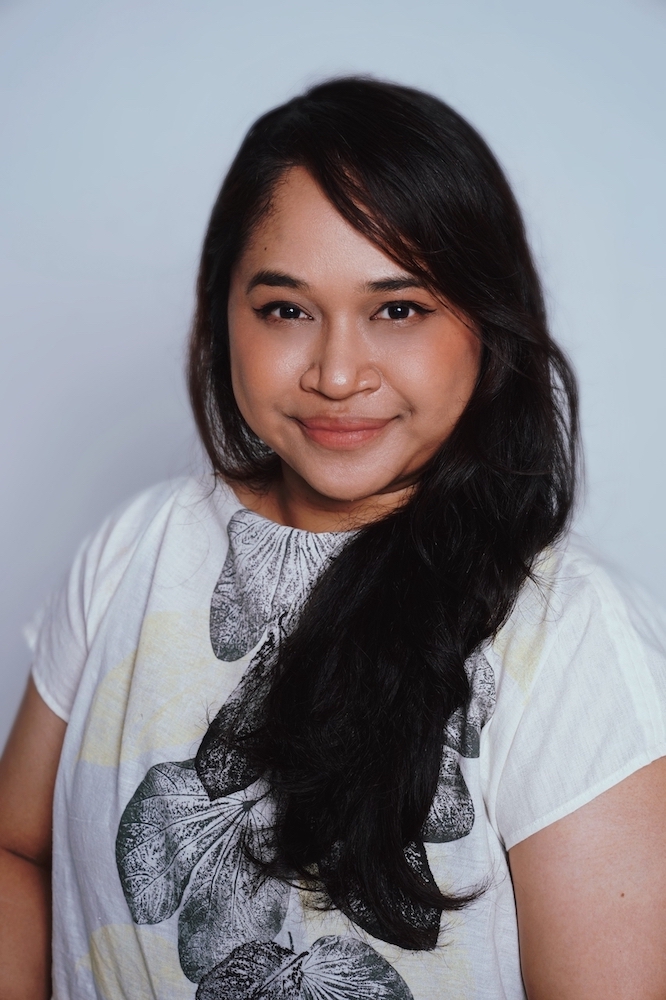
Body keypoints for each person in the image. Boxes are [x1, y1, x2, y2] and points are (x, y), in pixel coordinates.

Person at [1, 77, 666, 1000]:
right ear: (221, 314)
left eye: (399, 308)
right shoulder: (135, 550)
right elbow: (15, 849)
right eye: (286, 309)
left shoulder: (569, 634)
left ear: (488, 324)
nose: (338, 372)